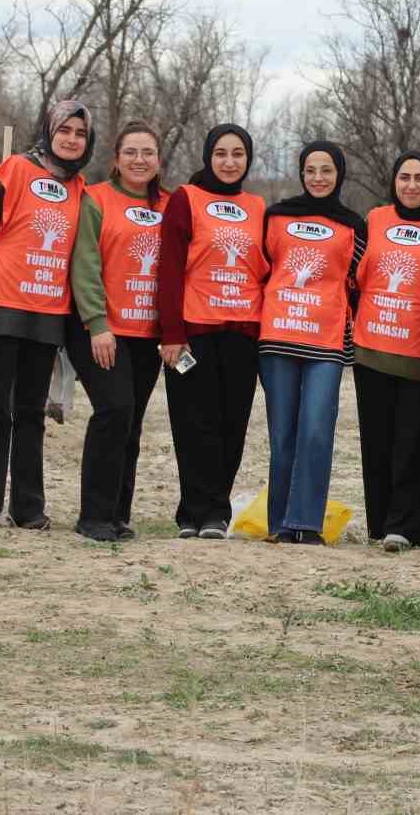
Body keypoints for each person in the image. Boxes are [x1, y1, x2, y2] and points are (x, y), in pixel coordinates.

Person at [0, 101, 92, 529]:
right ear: (49, 132)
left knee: (32, 412)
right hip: (0, 306)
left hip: (48, 313)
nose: (71, 139)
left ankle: (28, 508)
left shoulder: (80, 189)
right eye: (64, 130)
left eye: (80, 133)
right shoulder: (14, 170)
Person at [158, 124, 269, 539]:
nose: (229, 162)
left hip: (242, 333)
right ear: (208, 156)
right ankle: (193, 511)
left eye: (237, 154)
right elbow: (168, 268)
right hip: (192, 333)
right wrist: (171, 332)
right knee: (193, 424)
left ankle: (217, 513)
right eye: (221, 153)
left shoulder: (258, 206)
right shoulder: (187, 199)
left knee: (232, 424)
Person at [66, 120, 170, 541]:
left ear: (159, 160)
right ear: (116, 159)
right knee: (113, 411)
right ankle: (92, 516)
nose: (139, 160)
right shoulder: (97, 199)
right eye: (131, 152)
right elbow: (85, 264)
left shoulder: (170, 205)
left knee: (133, 422)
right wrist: (97, 324)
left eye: (147, 152)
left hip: (148, 334)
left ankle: (118, 515)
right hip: (101, 329)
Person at [257, 141, 366, 545]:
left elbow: (359, 282)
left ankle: (306, 523)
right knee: (282, 435)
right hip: (278, 339)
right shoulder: (277, 217)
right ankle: (278, 525)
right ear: (301, 173)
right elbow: (262, 270)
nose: (318, 178)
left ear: (339, 174)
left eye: (327, 170)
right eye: (310, 170)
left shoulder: (354, 226)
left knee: (316, 431)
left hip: (327, 343)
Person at [352, 151, 420, 552]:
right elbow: (355, 277)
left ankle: (407, 527)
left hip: (419, 356)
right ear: (394, 181)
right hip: (371, 352)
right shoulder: (375, 219)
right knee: (376, 443)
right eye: (405, 177)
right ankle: (379, 524)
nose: (412, 185)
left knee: (416, 445)